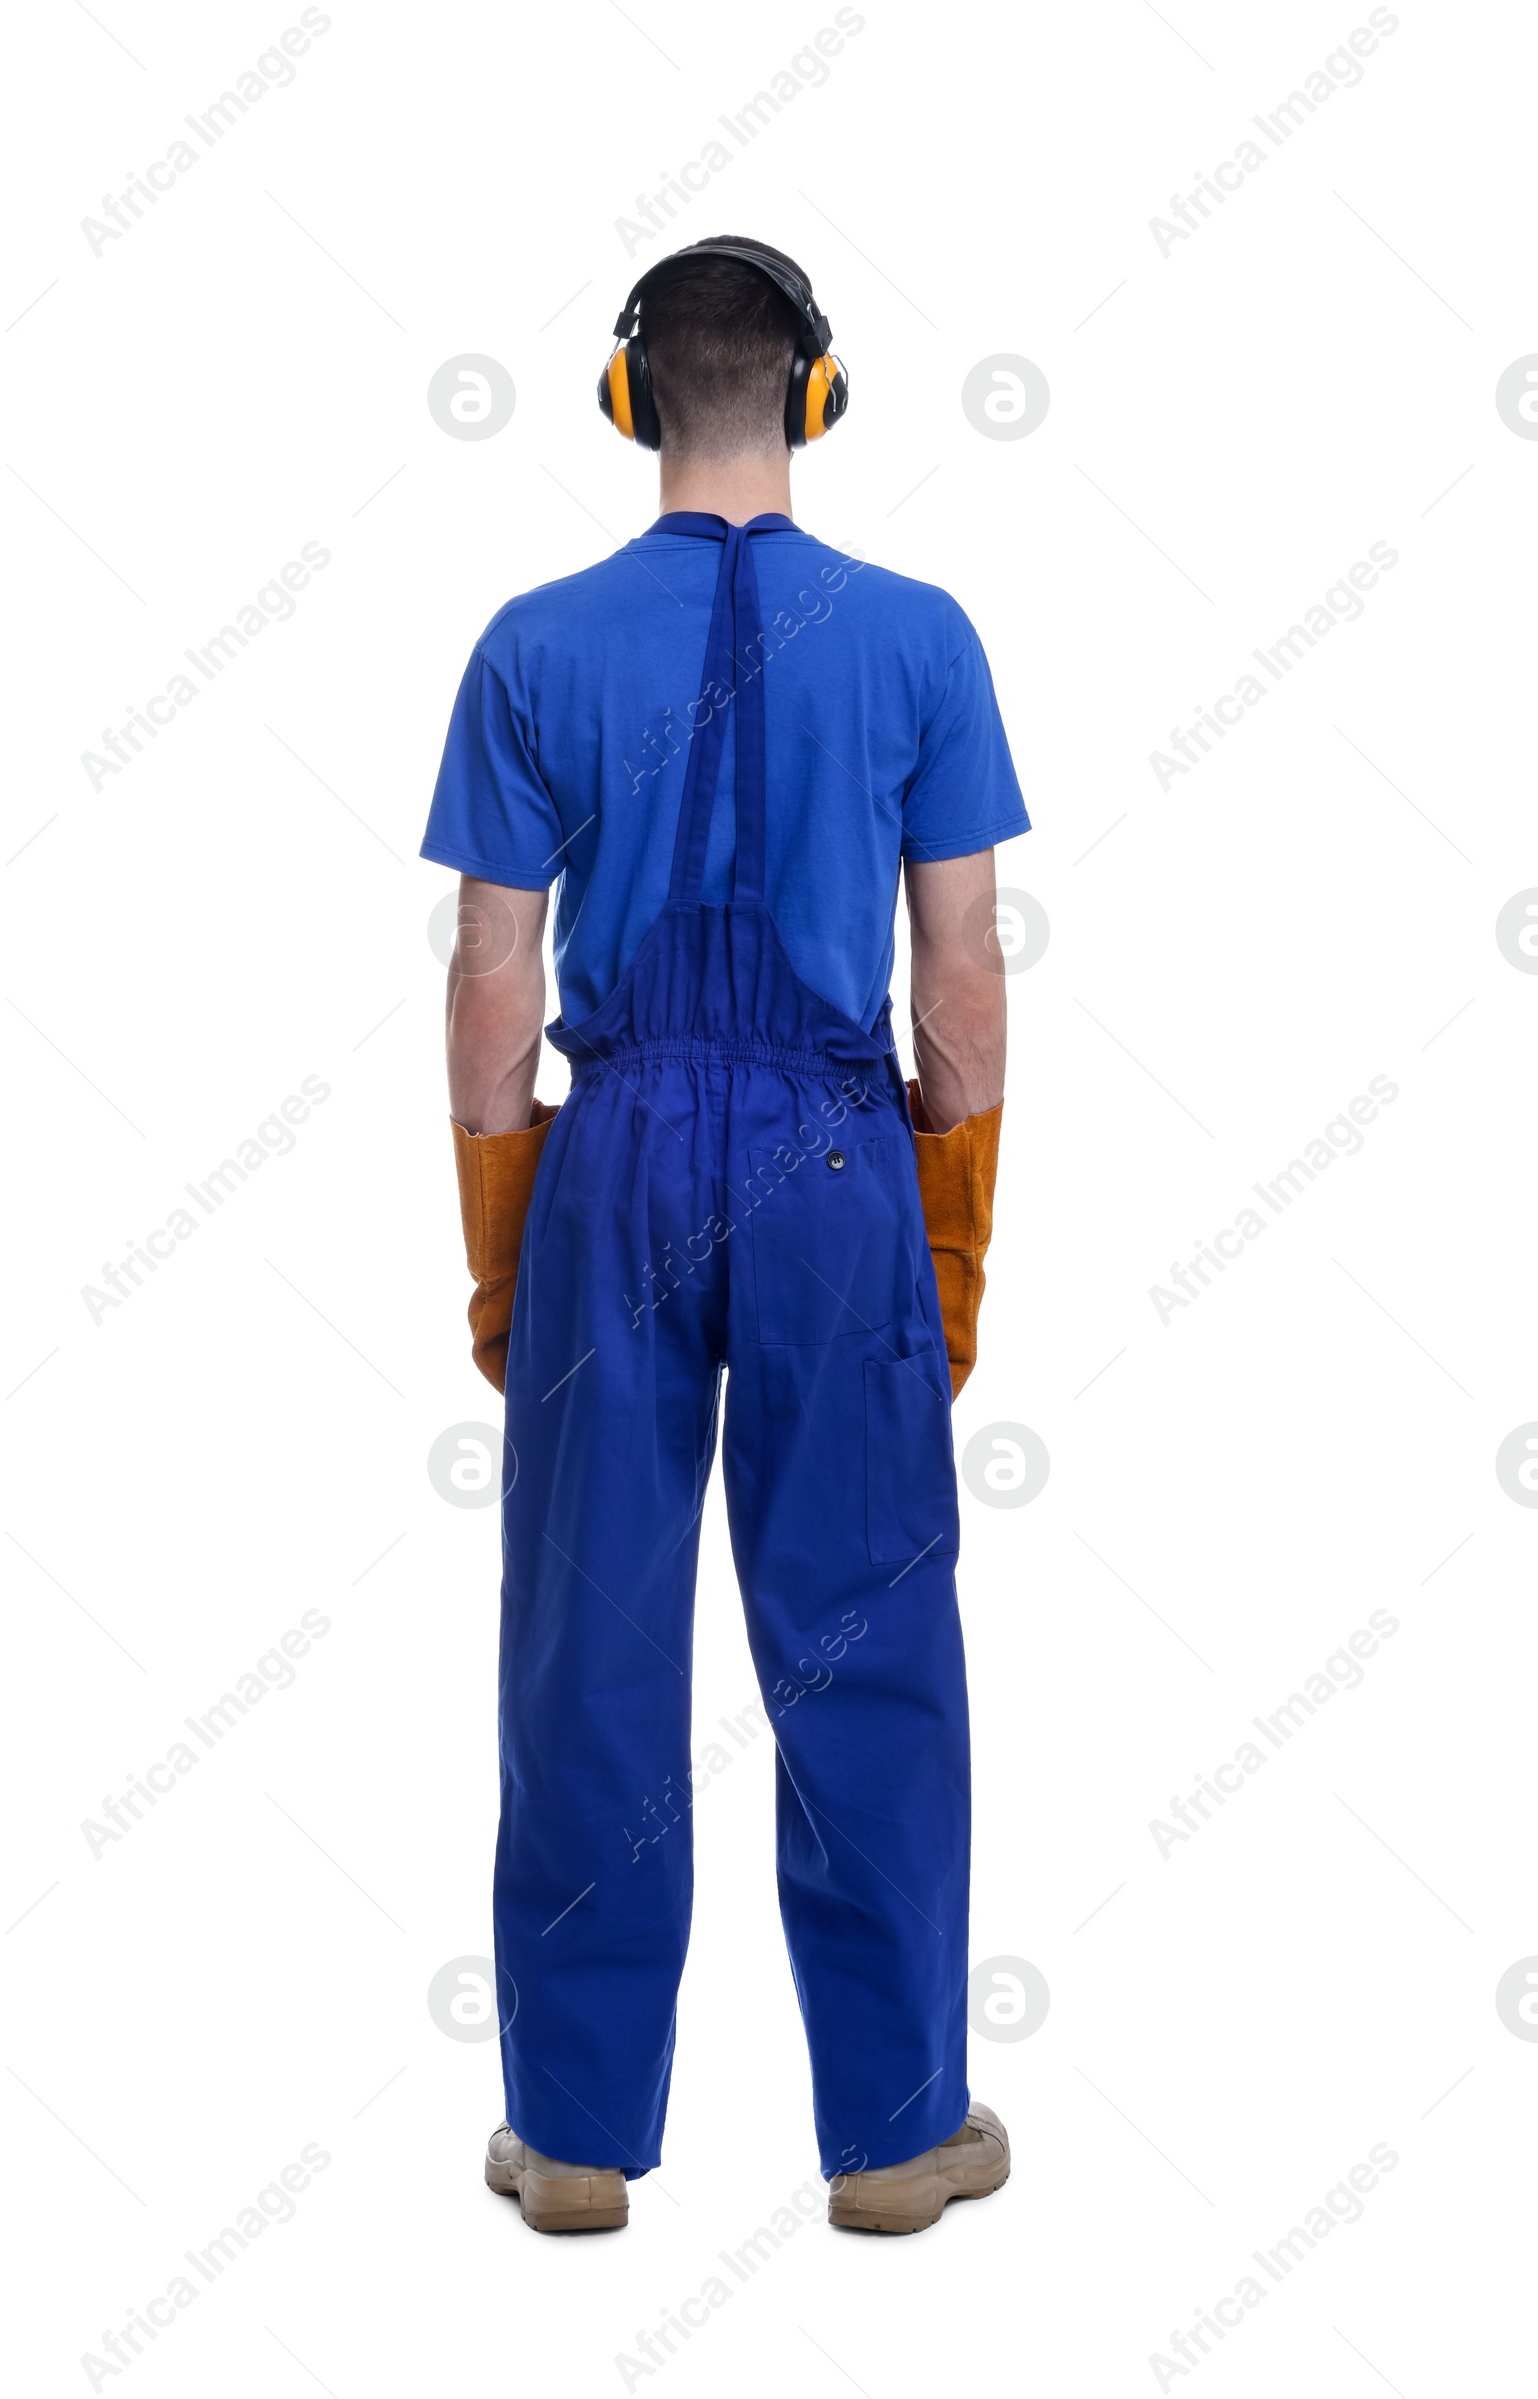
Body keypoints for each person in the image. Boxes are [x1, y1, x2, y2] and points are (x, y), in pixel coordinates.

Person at [422, 236, 1030, 2236]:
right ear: (814, 394)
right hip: (834, 1159)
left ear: (626, 401)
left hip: (616, 1159)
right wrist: (947, 1234)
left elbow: (494, 982)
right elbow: (955, 976)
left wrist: (507, 1239)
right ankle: (896, 2134)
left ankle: (577, 2139)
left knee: (585, 1644)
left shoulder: (528, 642)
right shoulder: (922, 637)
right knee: (861, 1641)